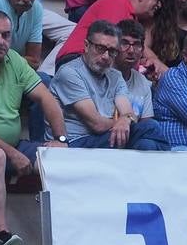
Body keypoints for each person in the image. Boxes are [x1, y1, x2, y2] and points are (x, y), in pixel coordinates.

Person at [0, 8, 67, 245]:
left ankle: (66, 234)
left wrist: (60, 138)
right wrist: (11, 152)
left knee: (60, 155)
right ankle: (2, 233)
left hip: (13, 146)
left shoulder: (15, 61)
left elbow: (47, 99)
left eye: (5, 35)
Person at [50, 19, 163, 149]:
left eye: (112, 51)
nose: (105, 56)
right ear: (86, 46)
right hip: (75, 142)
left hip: (104, 138)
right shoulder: (69, 73)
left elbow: (128, 113)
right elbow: (96, 124)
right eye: (100, 48)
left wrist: (126, 120)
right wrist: (120, 122)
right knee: (150, 127)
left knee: (146, 144)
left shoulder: (115, 75)